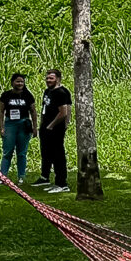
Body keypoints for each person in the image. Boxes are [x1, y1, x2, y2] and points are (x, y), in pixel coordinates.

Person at [39, 65, 72, 194]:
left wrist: (51, 125)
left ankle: (62, 183)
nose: (48, 80)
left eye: (51, 78)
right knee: (48, 154)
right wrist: (42, 124)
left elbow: (64, 112)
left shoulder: (61, 93)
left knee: (58, 156)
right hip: (46, 128)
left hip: (55, 129)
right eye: (47, 78)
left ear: (58, 79)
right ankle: (49, 179)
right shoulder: (48, 91)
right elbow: (44, 109)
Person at [0, 72, 35, 182]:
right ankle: (3, 176)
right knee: (7, 151)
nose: (20, 84)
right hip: (10, 124)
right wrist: (1, 127)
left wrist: (34, 127)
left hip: (23, 124)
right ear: (12, 82)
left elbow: (33, 111)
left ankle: (21, 176)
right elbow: (1, 112)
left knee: (22, 152)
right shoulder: (6, 95)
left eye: (22, 82)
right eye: (17, 81)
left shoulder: (28, 95)